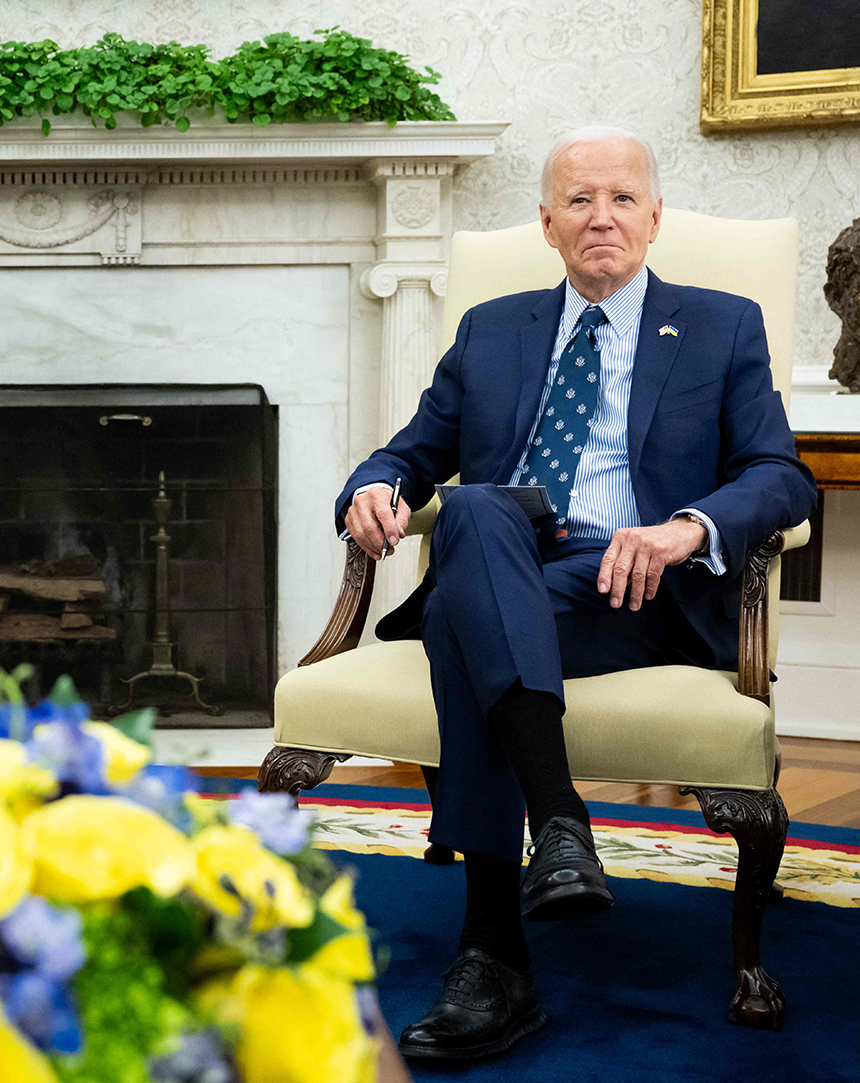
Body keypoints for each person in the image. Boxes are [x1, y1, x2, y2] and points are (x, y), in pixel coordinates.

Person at [336, 127, 817, 1060]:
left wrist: (687, 527)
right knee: (479, 511)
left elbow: (780, 475)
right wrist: (373, 487)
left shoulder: (721, 325)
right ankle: (558, 825)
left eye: (623, 198)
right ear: (548, 222)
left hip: (638, 589)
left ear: (654, 217)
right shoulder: (494, 329)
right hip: (509, 561)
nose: (603, 217)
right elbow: (409, 453)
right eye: (580, 200)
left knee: (461, 610)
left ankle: (493, 952)